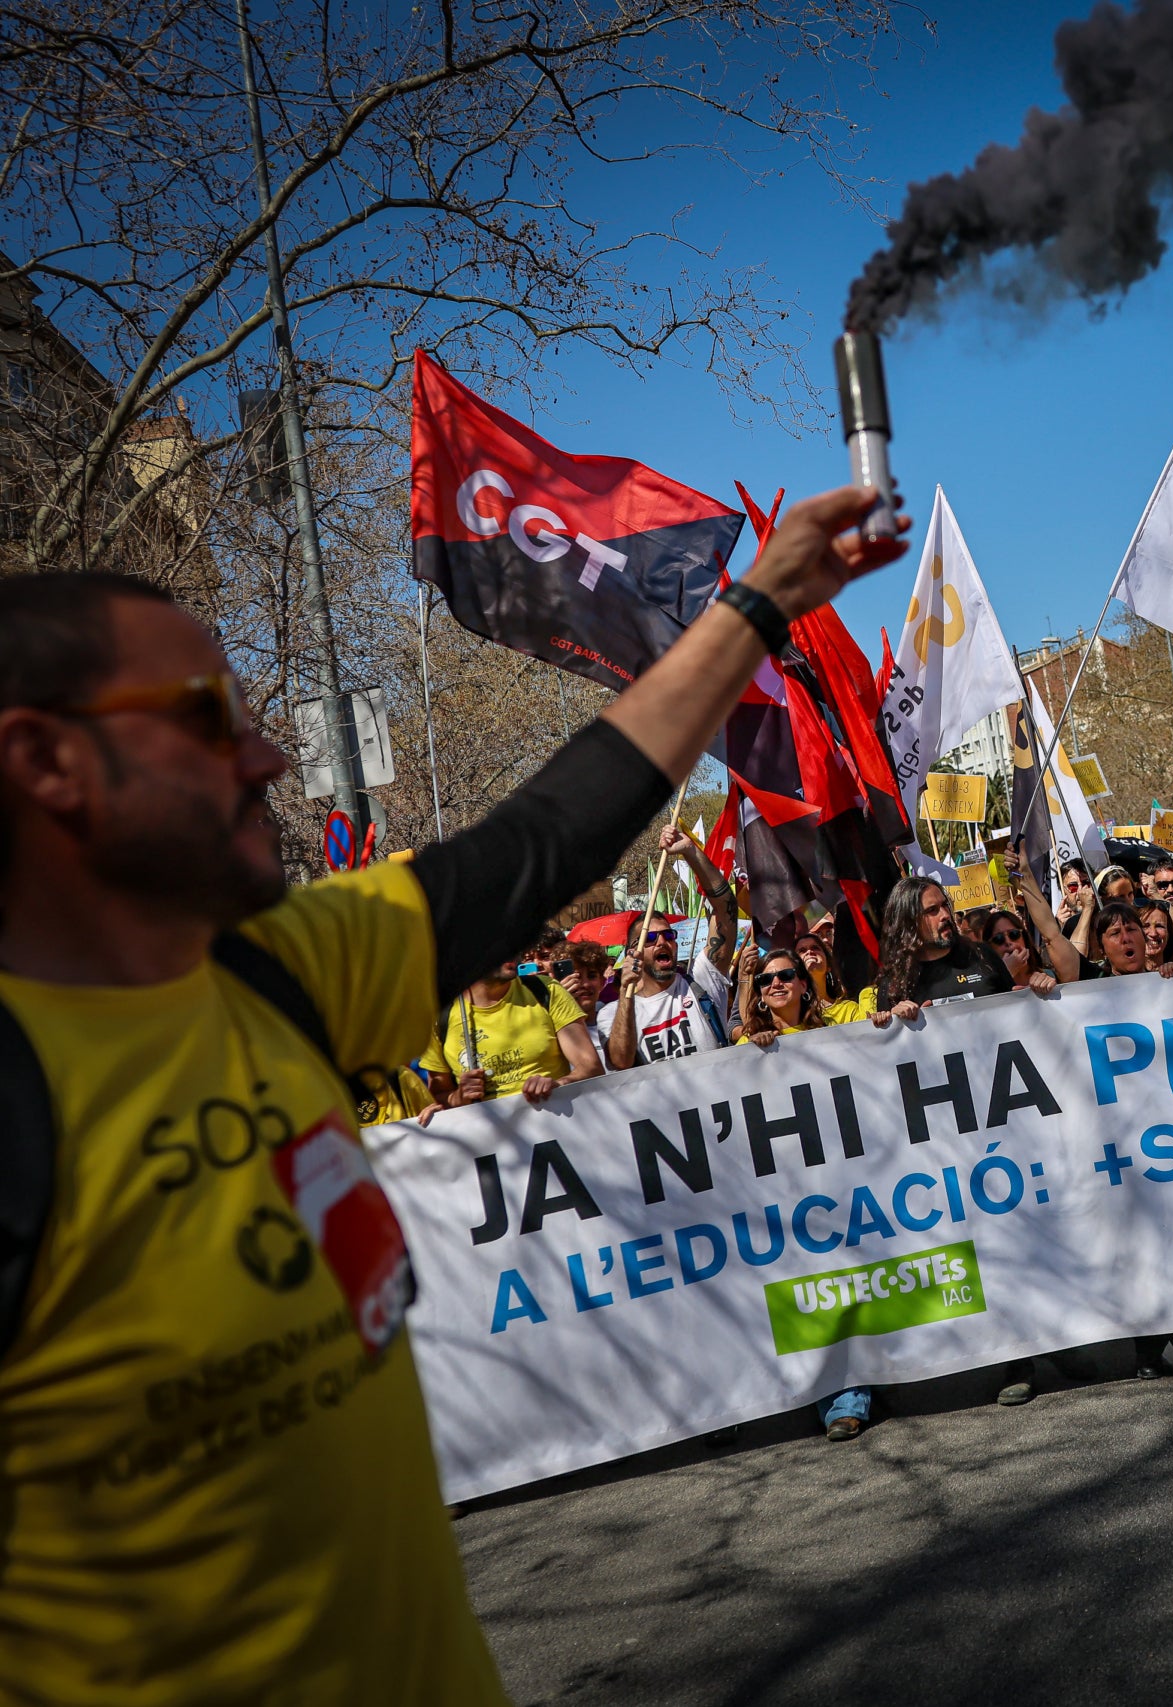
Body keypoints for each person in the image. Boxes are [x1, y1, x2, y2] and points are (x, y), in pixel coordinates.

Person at [0, 480, 907, 1697]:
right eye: (207, 717)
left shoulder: (288, 975)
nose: (267, 755)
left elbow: (550, 835)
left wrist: (763, 600)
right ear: (45, 760)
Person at [600, 823, 739, 1070]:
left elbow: (726, 909)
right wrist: (625, 992)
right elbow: (621, 1062)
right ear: (632, 952)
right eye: (650, 938)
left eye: (668, 935)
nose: (662, 942)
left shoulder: (703, 981)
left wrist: (690, 851)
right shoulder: (612, 1013)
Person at [423, 951, 602, 1109]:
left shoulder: (546, 990)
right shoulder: (439, 1017)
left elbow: (591, 1068)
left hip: (554, 1124)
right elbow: (438, 1097)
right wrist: (458, 1097)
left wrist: (558, 1084)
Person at [869, 876, 1032, 1023]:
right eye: (932, 910)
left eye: (945, 905)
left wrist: (1036, 990)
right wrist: (895, 1022)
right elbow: (892, 1043)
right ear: (910, 922)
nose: (945, 914)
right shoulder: (895, 984)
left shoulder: (982, 955)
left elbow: (1020, 1014)